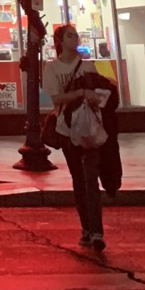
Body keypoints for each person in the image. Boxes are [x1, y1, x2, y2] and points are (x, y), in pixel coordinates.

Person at [43, 23, 111, 251]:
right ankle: (86, 228)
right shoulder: (52, 68)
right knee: (79, 178)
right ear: (60, 41)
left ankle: (97, 232)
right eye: (70, 35)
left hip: (90, 128)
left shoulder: (88, 66)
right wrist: (81, 93)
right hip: (67, 129)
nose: (76, 38)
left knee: (90, 178)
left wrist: (96, 98)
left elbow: (102, 93)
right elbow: (56, 99)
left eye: (76, 35)